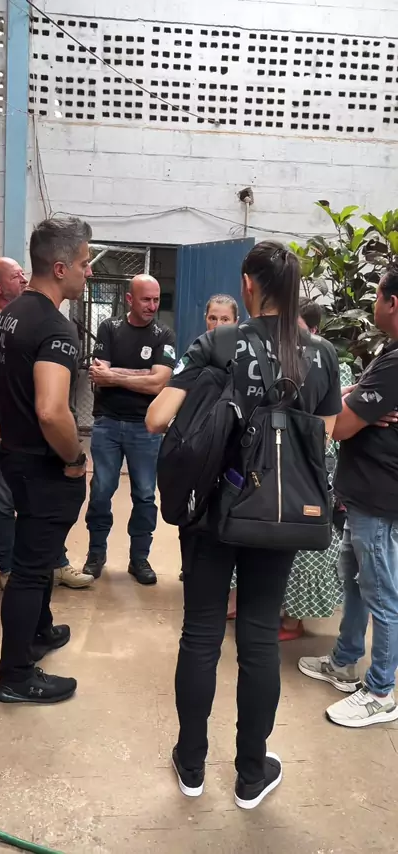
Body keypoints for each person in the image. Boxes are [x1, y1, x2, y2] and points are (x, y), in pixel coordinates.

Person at [146, 241, 341, 808]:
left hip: (212, 510)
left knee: (202, 633)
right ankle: (251, 773)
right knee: (258, 638)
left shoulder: (220, 342)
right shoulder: (321, 355)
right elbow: (326, 434)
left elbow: (157, 418)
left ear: (248, 285)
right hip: (277, 517)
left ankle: (191, 765)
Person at [0, 217, 93, 705]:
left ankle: (39, 632)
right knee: (32, 570)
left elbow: (1, 387)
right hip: (43, 464)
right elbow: (52, 411)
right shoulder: (55, 327)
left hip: (15, 453)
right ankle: (15, 675)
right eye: (84, 263)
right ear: (60, 267)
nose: (88, 272)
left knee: (39, 557)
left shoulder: (8, 316)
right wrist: (74, 458)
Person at [0, 258, 91, 592]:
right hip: (2, 431)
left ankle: (55, 563)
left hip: (38, 434)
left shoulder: (30, 320)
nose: (24, 280)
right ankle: (9, 567)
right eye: (16, 276)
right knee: (3, 501)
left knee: (46, 505)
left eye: (23, 274)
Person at [299, 263, 398, 728]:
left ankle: (380, 691)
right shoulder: (389, 353)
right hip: (362, 495)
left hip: (379, 498)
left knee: (381, 593)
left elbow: (337, 426)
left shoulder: (395, 362)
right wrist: (354, 397)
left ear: (392, 302)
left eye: (377, 296)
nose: (374, 304)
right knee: (355, 581)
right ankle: (344, 662)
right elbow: (349, 406)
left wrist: (347, 407)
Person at [82, 275, 176, 585]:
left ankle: (139, 559)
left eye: (156, 299)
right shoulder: (109, 328)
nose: (152, 305)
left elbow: (159, 383)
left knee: (145, 495)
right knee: (101, 491)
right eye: (146, 299)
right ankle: (96, 554)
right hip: (107, 423)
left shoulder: (164, 334)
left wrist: (115, 376)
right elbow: (99, 374)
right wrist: (142, 375)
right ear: (129, 300)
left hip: (145, 426)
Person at [279, 307, 353, 641]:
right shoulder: (279, 361)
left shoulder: (334, 364)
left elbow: (336, 422)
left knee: (306, 548)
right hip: (282, 462)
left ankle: (293, 621)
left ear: (315, 331)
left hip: (317, 468)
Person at [178, 294, 240, 621]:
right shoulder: (196, 352)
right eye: (212, 318)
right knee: (191, 513)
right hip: (196, 449)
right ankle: (192, 571)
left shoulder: (243, 358)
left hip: (229, 455)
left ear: (236, 322)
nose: (217, 324)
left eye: (224, 319)